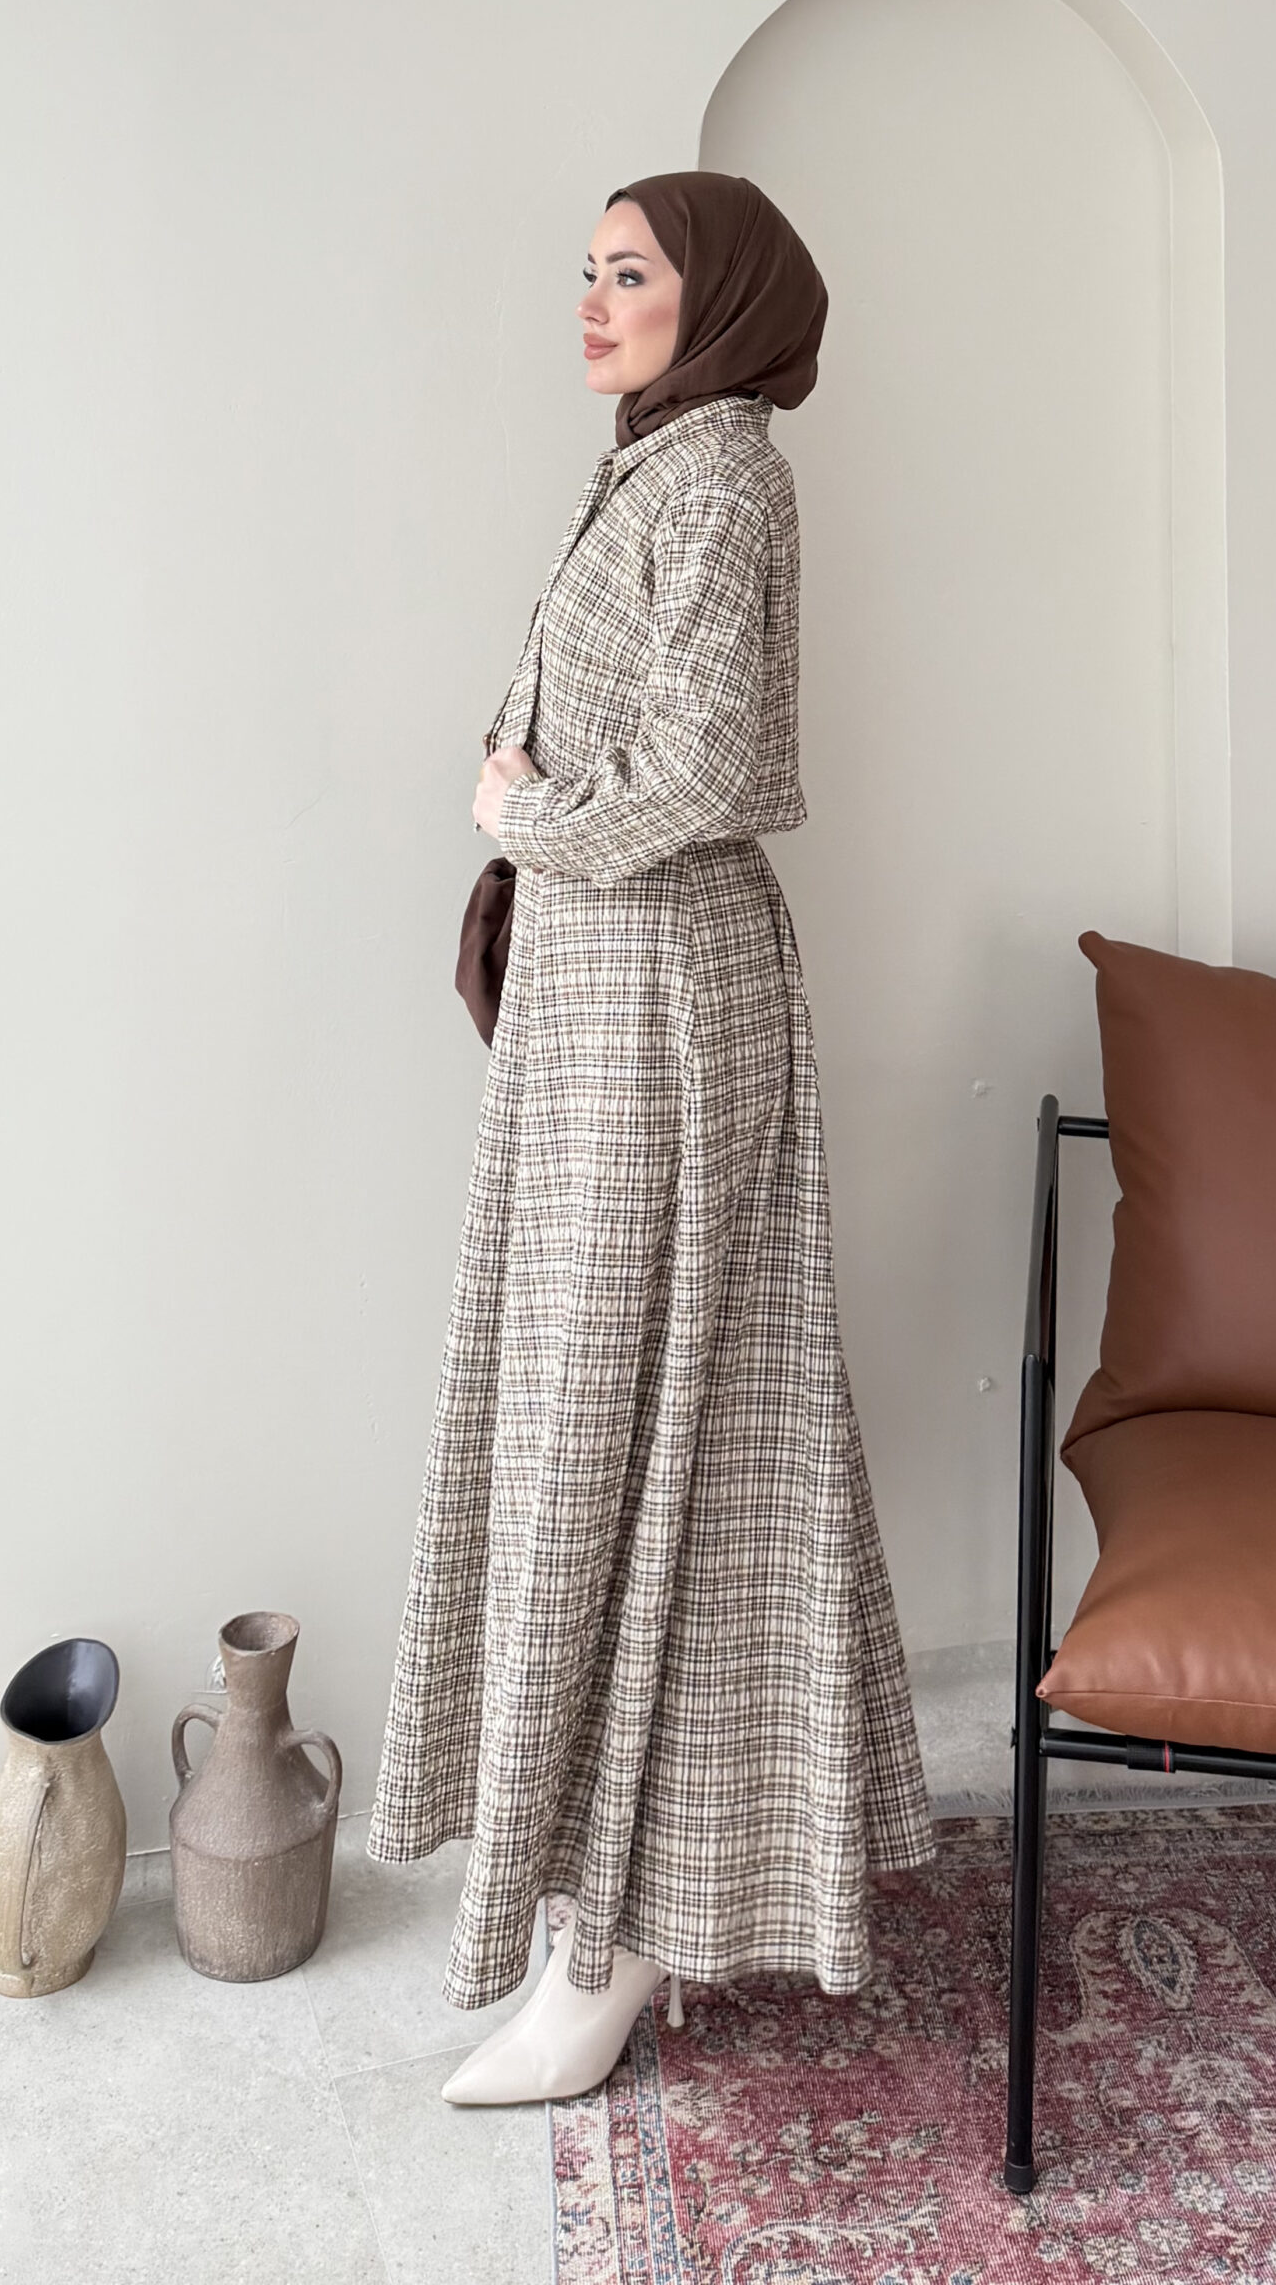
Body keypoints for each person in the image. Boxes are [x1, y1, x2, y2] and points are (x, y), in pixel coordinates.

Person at [366, 170, 935, 2105]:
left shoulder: (726, 479)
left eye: (629, 273)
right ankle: (617, 1913)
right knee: (593, 1419)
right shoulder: (654, 470)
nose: (592, 302)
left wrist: (517, 814)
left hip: (663, 997)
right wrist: (526, 820)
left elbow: (704, 766)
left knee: (650, 1420)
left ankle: (610, 1944)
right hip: (603, 994)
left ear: (725, 297)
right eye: (588, 273)